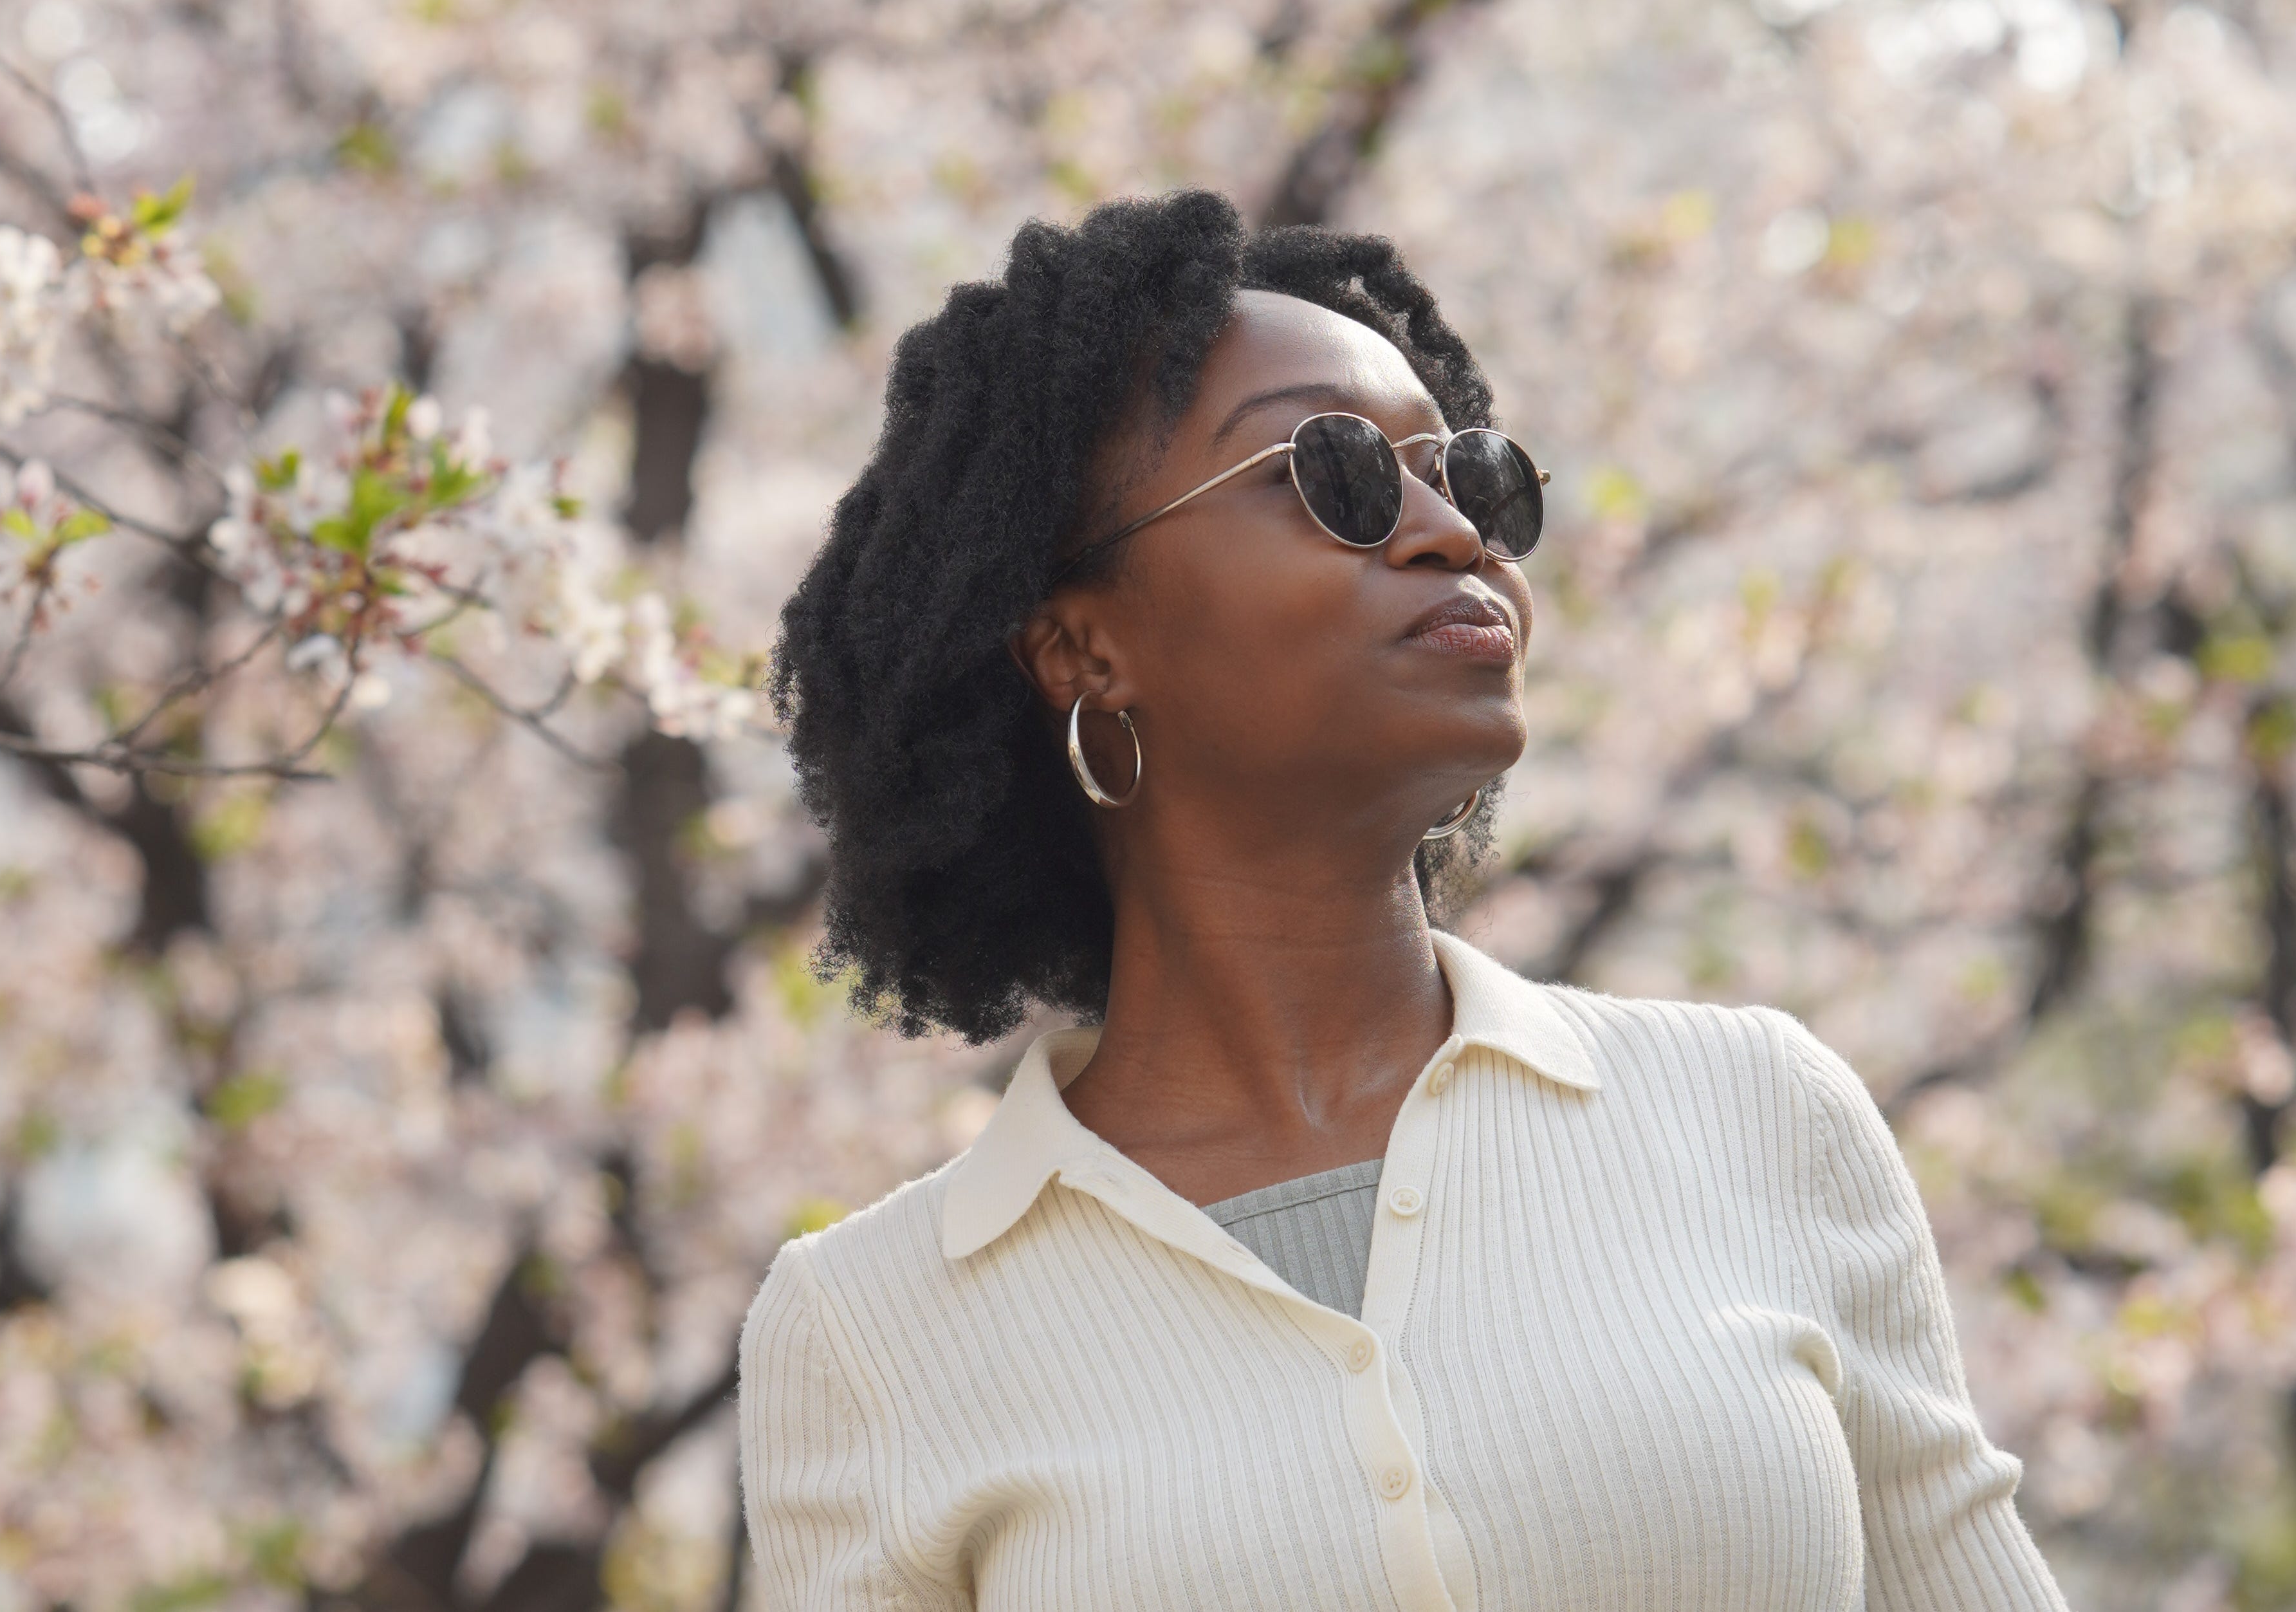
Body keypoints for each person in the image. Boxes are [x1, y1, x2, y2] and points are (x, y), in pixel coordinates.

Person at [744, 189, 2068, 1611]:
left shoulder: (1755, 1110)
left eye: (1469, 476)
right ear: (1080, 645)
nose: (1450, 533)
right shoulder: (868, 1329)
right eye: (1333, 473)